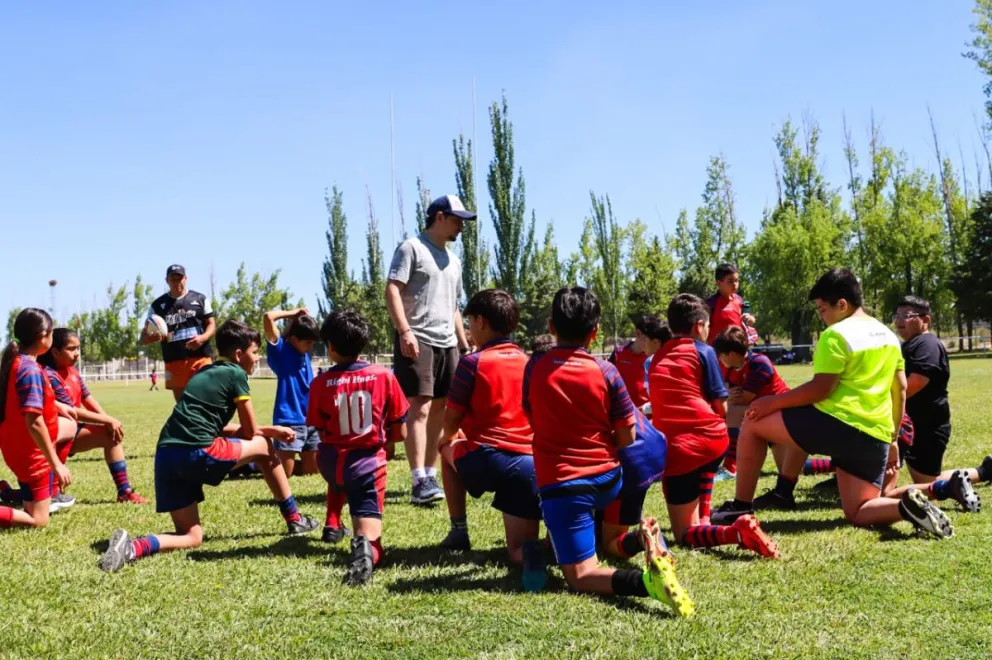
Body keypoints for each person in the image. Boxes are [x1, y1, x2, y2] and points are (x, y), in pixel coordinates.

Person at [711, 269, 955, 540]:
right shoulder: (887, 335)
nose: (821, 316)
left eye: (821, 309)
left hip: (836, 424)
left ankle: (740, 507)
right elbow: (901, 389)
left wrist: (772, 402)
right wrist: (893, 439)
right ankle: (905, 507)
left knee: (753, 422)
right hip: (875, 436)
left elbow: (820, 389)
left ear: (842, 305)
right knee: (858, 511)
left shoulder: (835, 334)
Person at [524, 286, 693, 618]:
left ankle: (648, 584)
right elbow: (628, 434)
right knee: (609, 545)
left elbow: (531, 417)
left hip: (565, 485)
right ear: (595, 331)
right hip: (610, 480)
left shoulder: (535, 368)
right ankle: (641, 538)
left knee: (581, 575)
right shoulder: (607, 371)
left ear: (551, 326)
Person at [99, 320, 319, 573]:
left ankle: (133, 547)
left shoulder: (204, 372)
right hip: (197, 451)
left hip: (166, 457)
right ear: (239, 354)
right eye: (255, 352)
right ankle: (295, 519)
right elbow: (250, 432)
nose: (258, 358)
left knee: (192, 536)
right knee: (266, 445)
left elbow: (214, 426)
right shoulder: (236, 374)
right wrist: (274, 430)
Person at [648, 294, 779, 558]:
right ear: (699, 326)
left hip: (679, 448)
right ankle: (709, 523)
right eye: (708, 326)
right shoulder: (703, 351)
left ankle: (736, 532)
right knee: (699, 523)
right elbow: (722, 408)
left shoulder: (657, 355)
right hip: (713, 443)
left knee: (685, 534)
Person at [436, 289, 546, 591]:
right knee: (517, 551)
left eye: (469, 321)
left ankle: (459, 529)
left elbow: (452, 418)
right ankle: (545, 552)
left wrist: (446, 440)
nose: (468, 328)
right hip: (531, 466)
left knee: (445, 447)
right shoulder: (530, 361)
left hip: (491, 460)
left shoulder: (473, 362)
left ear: (481, 322)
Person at [306, 310, 409, 585]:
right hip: (366, 467)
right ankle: (365, 552)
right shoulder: (383, 376)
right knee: (371, 538)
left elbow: (319, 428)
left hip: (329, 464)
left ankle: (332, 522)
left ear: (330, 346)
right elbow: (401, 431)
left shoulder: (318, 383)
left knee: (340, 467)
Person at [385, 195, 473, 505]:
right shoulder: (411, 248)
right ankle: (418, 479)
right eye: (457, 219)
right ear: (439, 217)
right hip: (417, 338)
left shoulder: (454, 261)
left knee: (441, 408)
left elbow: (455, 307)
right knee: (419, 407)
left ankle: (430, 474)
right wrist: (404, 331)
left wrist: (464, 346)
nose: (461, 225)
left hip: (447, 343)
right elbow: (392, 289)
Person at [36, 328, 147, 503]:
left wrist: (109, 422)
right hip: (53, 437)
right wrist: (108, 419)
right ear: (55, 352)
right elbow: (72, 410)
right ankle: (10, 492)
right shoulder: (48, 374)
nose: (77, 353)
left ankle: (124, 492)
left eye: (78, 348)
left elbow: (87, 398)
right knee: (39, 496)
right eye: (71, 349)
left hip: (71, 431)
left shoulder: (73, 373)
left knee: (110, 435)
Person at [0, 308, 70, 529]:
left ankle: (12, 492)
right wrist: (56, 464)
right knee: (39, 521)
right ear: (43, 337)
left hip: (17, 449)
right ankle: (43, 489)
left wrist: (55, 405)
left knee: (70, 426)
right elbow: (34, 421)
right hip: (32, 457)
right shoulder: (29, 369)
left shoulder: (16, 363)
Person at [712, 326, 791, 481]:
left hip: (782, 412)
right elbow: (729, 392)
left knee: (733, 410)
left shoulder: (759, 363)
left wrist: (727, 396)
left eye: (721, 355)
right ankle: (730, 465)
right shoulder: (732, 368)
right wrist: (728, 395)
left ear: (732, 354)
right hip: (764, 411)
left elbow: (744, 398)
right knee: (792, 468)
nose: (719, 359)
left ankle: (730, 467)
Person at [140, 265, 216, 402]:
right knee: (182, 406)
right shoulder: (157, 306)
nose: (176, 282)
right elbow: (143, 337)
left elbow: (211, 324)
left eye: (179, 278)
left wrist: (203, 338)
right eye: (172, 278)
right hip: (174, 361)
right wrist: (152, 337)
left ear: (186, 279)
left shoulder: (200, 299)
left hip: (200, 359)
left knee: (205, 401)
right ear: (166, 280)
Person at [263, 307, 320, 479]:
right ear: (294, 339)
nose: (311, 347)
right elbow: (268, 317)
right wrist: (293, 313)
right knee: (284, 474)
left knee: (313, 472)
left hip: (310, 421)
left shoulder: (303, 353)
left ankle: (275, 459)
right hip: (289, 421)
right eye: (308, 342)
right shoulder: (281, 352)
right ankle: (254, 464)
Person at [608, 315, 670, 411]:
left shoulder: (654, 357)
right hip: (624, 415)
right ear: (638, 333)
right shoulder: (618, 354)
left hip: (648, 416)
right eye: (644, 339)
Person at [706, 263, 756, 346]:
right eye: (730, 281)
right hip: (717, 352)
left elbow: (750, 319)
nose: (734, 284)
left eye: (736, 280)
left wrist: (750, 319)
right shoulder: (711, 303)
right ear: (718, 283)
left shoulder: (740, 300)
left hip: (738, 350)